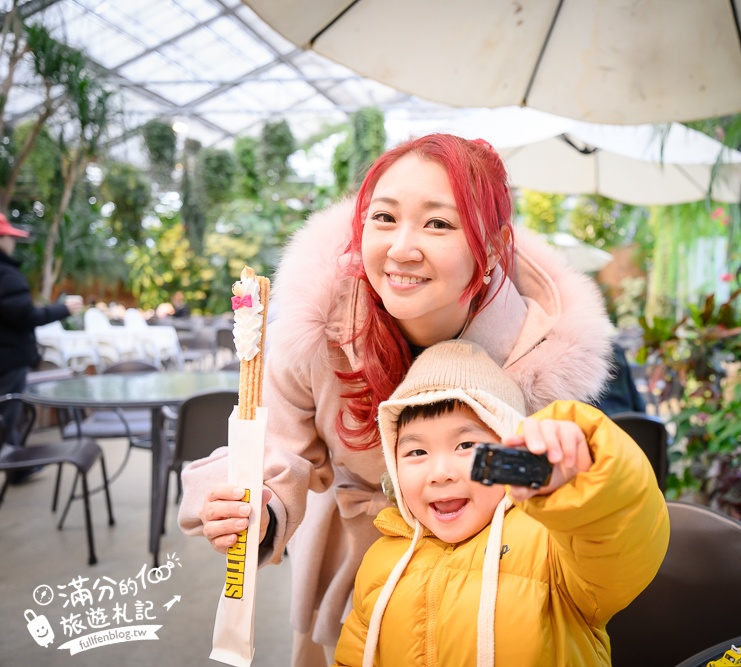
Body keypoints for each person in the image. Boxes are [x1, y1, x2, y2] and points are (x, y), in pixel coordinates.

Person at [177, 134, 615, 665]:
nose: (402, 248)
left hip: (490, 594)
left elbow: (579, 513)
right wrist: (256, 510)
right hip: (354, 572)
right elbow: (278, 450)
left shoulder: (541, 356)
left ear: (495, 246)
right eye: (383, 217)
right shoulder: (317, 325)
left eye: (439, 223)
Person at [332, 339, 669, 667]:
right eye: (416, 451)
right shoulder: (381, 560)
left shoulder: (555, 545)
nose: (440, 474)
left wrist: (582, 477)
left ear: (510, 447)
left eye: (466, 445)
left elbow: (621, 533)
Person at [0, 213, 83, 469]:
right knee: (8, 414)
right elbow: (26, 316)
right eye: (9, 238)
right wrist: (63, 309)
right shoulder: (6, 275)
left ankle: (18, 468)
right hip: (8, 358)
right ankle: (15, 466)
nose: (12, 243)